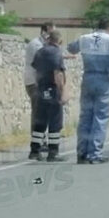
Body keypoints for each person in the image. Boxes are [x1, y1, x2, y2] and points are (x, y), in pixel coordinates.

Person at [68, 18, 109, 164]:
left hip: (88, 78)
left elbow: (71, 48)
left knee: (85, 116)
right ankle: (94, 154)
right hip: (105, 79)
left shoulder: (84, 38)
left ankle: (81, 153)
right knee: (100, 117)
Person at [29, 30, 68, 162]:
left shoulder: (40, 52)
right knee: (55, 122)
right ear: (60, 42)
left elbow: (35, 71)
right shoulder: (57, 53)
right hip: (52, 90)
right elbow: (58, 74)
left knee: (40, 121)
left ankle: (34, 150)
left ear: (48, 39)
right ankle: (53, 152)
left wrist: (38, 87)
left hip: (40, 89)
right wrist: (63, 93)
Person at [24, 21, 54, 152]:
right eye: (52, 32)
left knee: (43, 113)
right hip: (35, 83)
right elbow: (44, 60)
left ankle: (42, 140)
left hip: (40, 82)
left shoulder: (43, 44)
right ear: (45, 31)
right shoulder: (36, 44)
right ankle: (37, 143)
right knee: (38, 113)